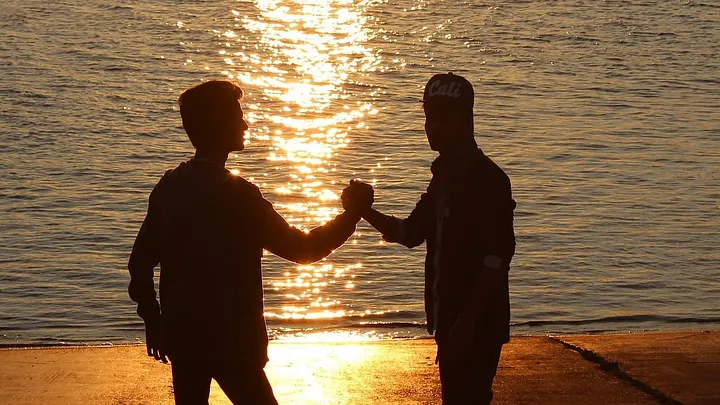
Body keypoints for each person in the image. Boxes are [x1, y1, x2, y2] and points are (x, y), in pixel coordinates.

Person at [128, 80, 362, 405]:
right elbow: (303, 249)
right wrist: (351, 216)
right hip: (233, 343)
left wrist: (154, 320)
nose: (246, 124)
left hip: (184, 338)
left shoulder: (170, 187)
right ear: (221, 125)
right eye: (238, 116)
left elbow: (139, 265)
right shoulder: (240, 197)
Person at [342, 73, 516, 404]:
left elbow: (498, 256)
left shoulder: (490, 180)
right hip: (448, 319)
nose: (431, 126)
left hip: (479, 322)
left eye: (443, 118)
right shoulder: (443, 177)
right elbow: (410, 233)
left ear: (466, 121)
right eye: (428, 116)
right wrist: (362, 210)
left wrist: (467, 322)